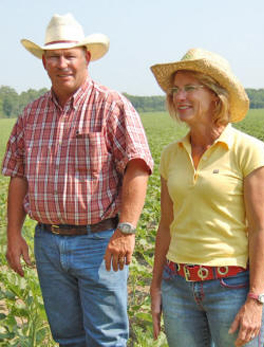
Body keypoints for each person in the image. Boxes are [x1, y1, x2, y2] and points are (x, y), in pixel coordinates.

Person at [2, 13, 153, 347]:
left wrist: (126, 231)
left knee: (106, 338)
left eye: (70, 55)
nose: (62, 63)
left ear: (87, 58)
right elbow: (18, 176)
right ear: (43, 62)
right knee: (67, 337)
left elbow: (138, 167)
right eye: (54, 56)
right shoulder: (31, 113)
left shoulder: (111, 105)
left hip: (99, 242)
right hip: (48, 243)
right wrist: (13, 235)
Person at [149, 48, 264, 347]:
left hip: (231, 287)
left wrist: (255, 298)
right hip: (177, 286)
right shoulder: (170, 154)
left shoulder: (249, 150)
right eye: (175, 90)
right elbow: (166, 225)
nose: (179, 97)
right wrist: (155, 287)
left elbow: (260, 229)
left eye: (190, 88)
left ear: (216, 96)